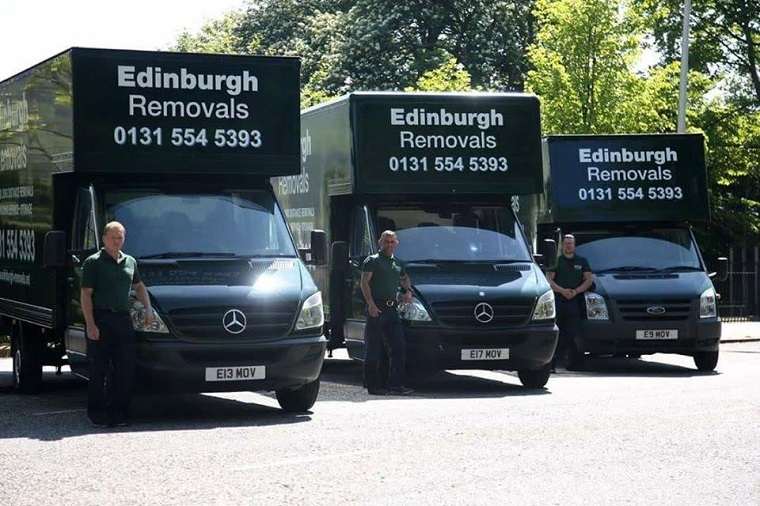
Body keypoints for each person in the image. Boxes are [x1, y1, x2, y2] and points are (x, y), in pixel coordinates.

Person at [81, 221, 153, 427]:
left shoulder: (130, 262)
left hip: (122, 319)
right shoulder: (93, 262)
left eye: (120, 237)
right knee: (99, 369)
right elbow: (86, 294)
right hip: (101, 319)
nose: (116, 241)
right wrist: (90, 324)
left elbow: (139, 287)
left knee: (124, 370)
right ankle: (98, 414)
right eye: (112, 237)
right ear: (103, 239)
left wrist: (147, 308)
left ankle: (119, 413)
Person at [360, 230, 414, 396]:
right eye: (386, 241)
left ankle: (395, 385)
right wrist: (371, 304)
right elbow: (364, 283)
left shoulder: (398, 262)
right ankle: (373, 385)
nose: (389, 244)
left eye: (392, 241)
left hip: (392, 309)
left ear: (396, 243)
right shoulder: (373, 261)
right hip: (377, 307)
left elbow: (404, 278)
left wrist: (409, 291)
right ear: (380, 242)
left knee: (398, 347)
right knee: (373, 348)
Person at [545, 234, 593, 371]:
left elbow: (588, 280)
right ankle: (551, 364)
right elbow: (549, 279)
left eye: (571, 243)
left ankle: (569, 359)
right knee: (556, 329)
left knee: (572, 331)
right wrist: (562, 291)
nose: (568, 245)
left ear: (574, 245)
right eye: (566, 243)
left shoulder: (582, 261)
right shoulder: (557, 261)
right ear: (562, 245)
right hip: (559, 299)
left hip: (574, 300)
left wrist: (576, 291)